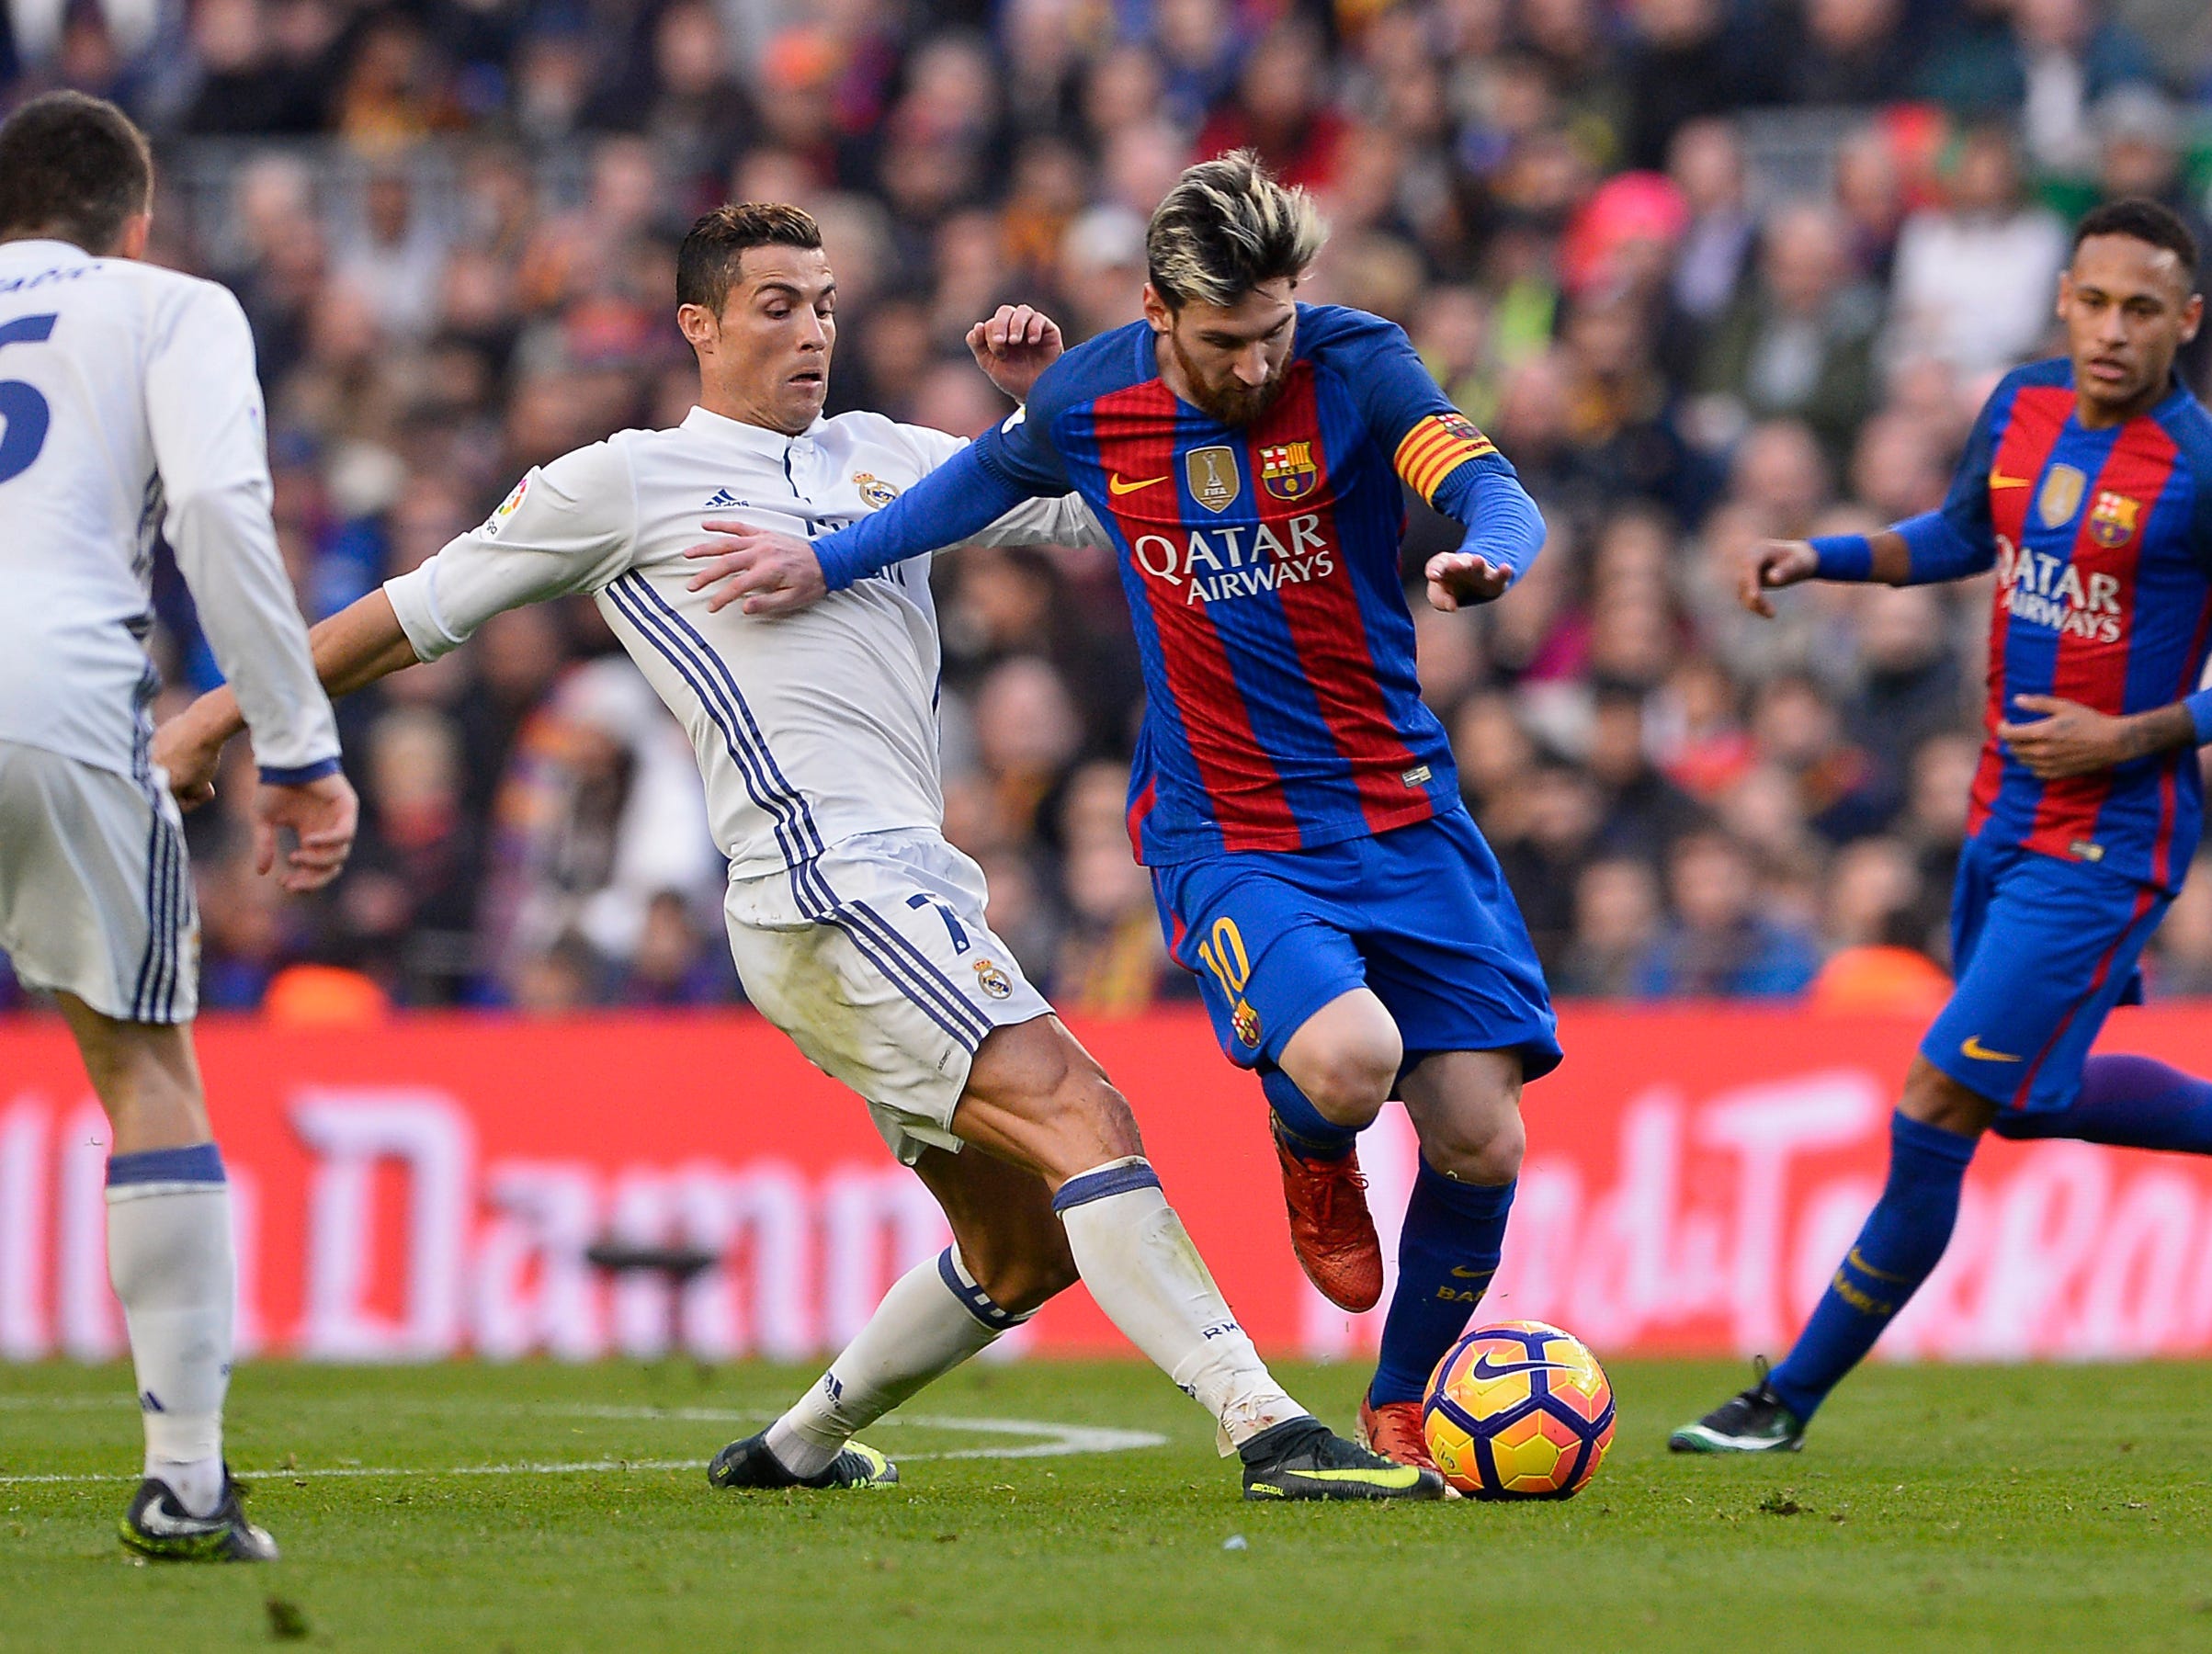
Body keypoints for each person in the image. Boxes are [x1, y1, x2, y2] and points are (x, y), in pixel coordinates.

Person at [157, 201, 1441, 1504]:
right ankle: (1266, 1429)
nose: (812, 329)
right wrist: (219, 716)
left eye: (823, 303)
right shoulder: (625, 481)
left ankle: (793, 1452)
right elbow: (411, 615)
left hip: (910, 888)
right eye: (777, 305)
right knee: (1085, 1117)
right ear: (697, 325)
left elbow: (1106, 506)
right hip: (823, 884)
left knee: (1018, 1249)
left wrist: (1049, 403)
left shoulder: (888, 456)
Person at [683, 153, 1560, 1476]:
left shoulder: (1359, 364)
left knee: (1485, 1138)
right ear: (1157, 311)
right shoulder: (1095, 396)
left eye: (1273, 330)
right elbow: (966, 490)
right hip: (1233, 831)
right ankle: (1310, 1146)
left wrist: (1488, 550)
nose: (1257, 364)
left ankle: (1402, 1400)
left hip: (1400, 812)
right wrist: (826, 559)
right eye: (1224, 340)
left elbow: (1485, 478)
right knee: (1349, 1058)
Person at [1672, 197, 2212, 1452]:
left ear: (2186, 322)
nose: (2113, 331)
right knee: (2027, 1098)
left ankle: (1783, 1398)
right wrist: (1827, 556)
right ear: (2065, 298)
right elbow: (1968, 533)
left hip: (2109, 841)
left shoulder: (2196, 467)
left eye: (2145, 311)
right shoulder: (2022, 407)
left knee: (1938, 1099)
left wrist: (2134, 735)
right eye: (2095, 302)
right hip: (1999, 816)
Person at [0, 92, 359, 1560]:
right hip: (59, 692)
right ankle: (187, 1480)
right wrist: (296, 741)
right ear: (134, 220)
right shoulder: (171, 305)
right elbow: (216, 502)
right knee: (142, 1066)